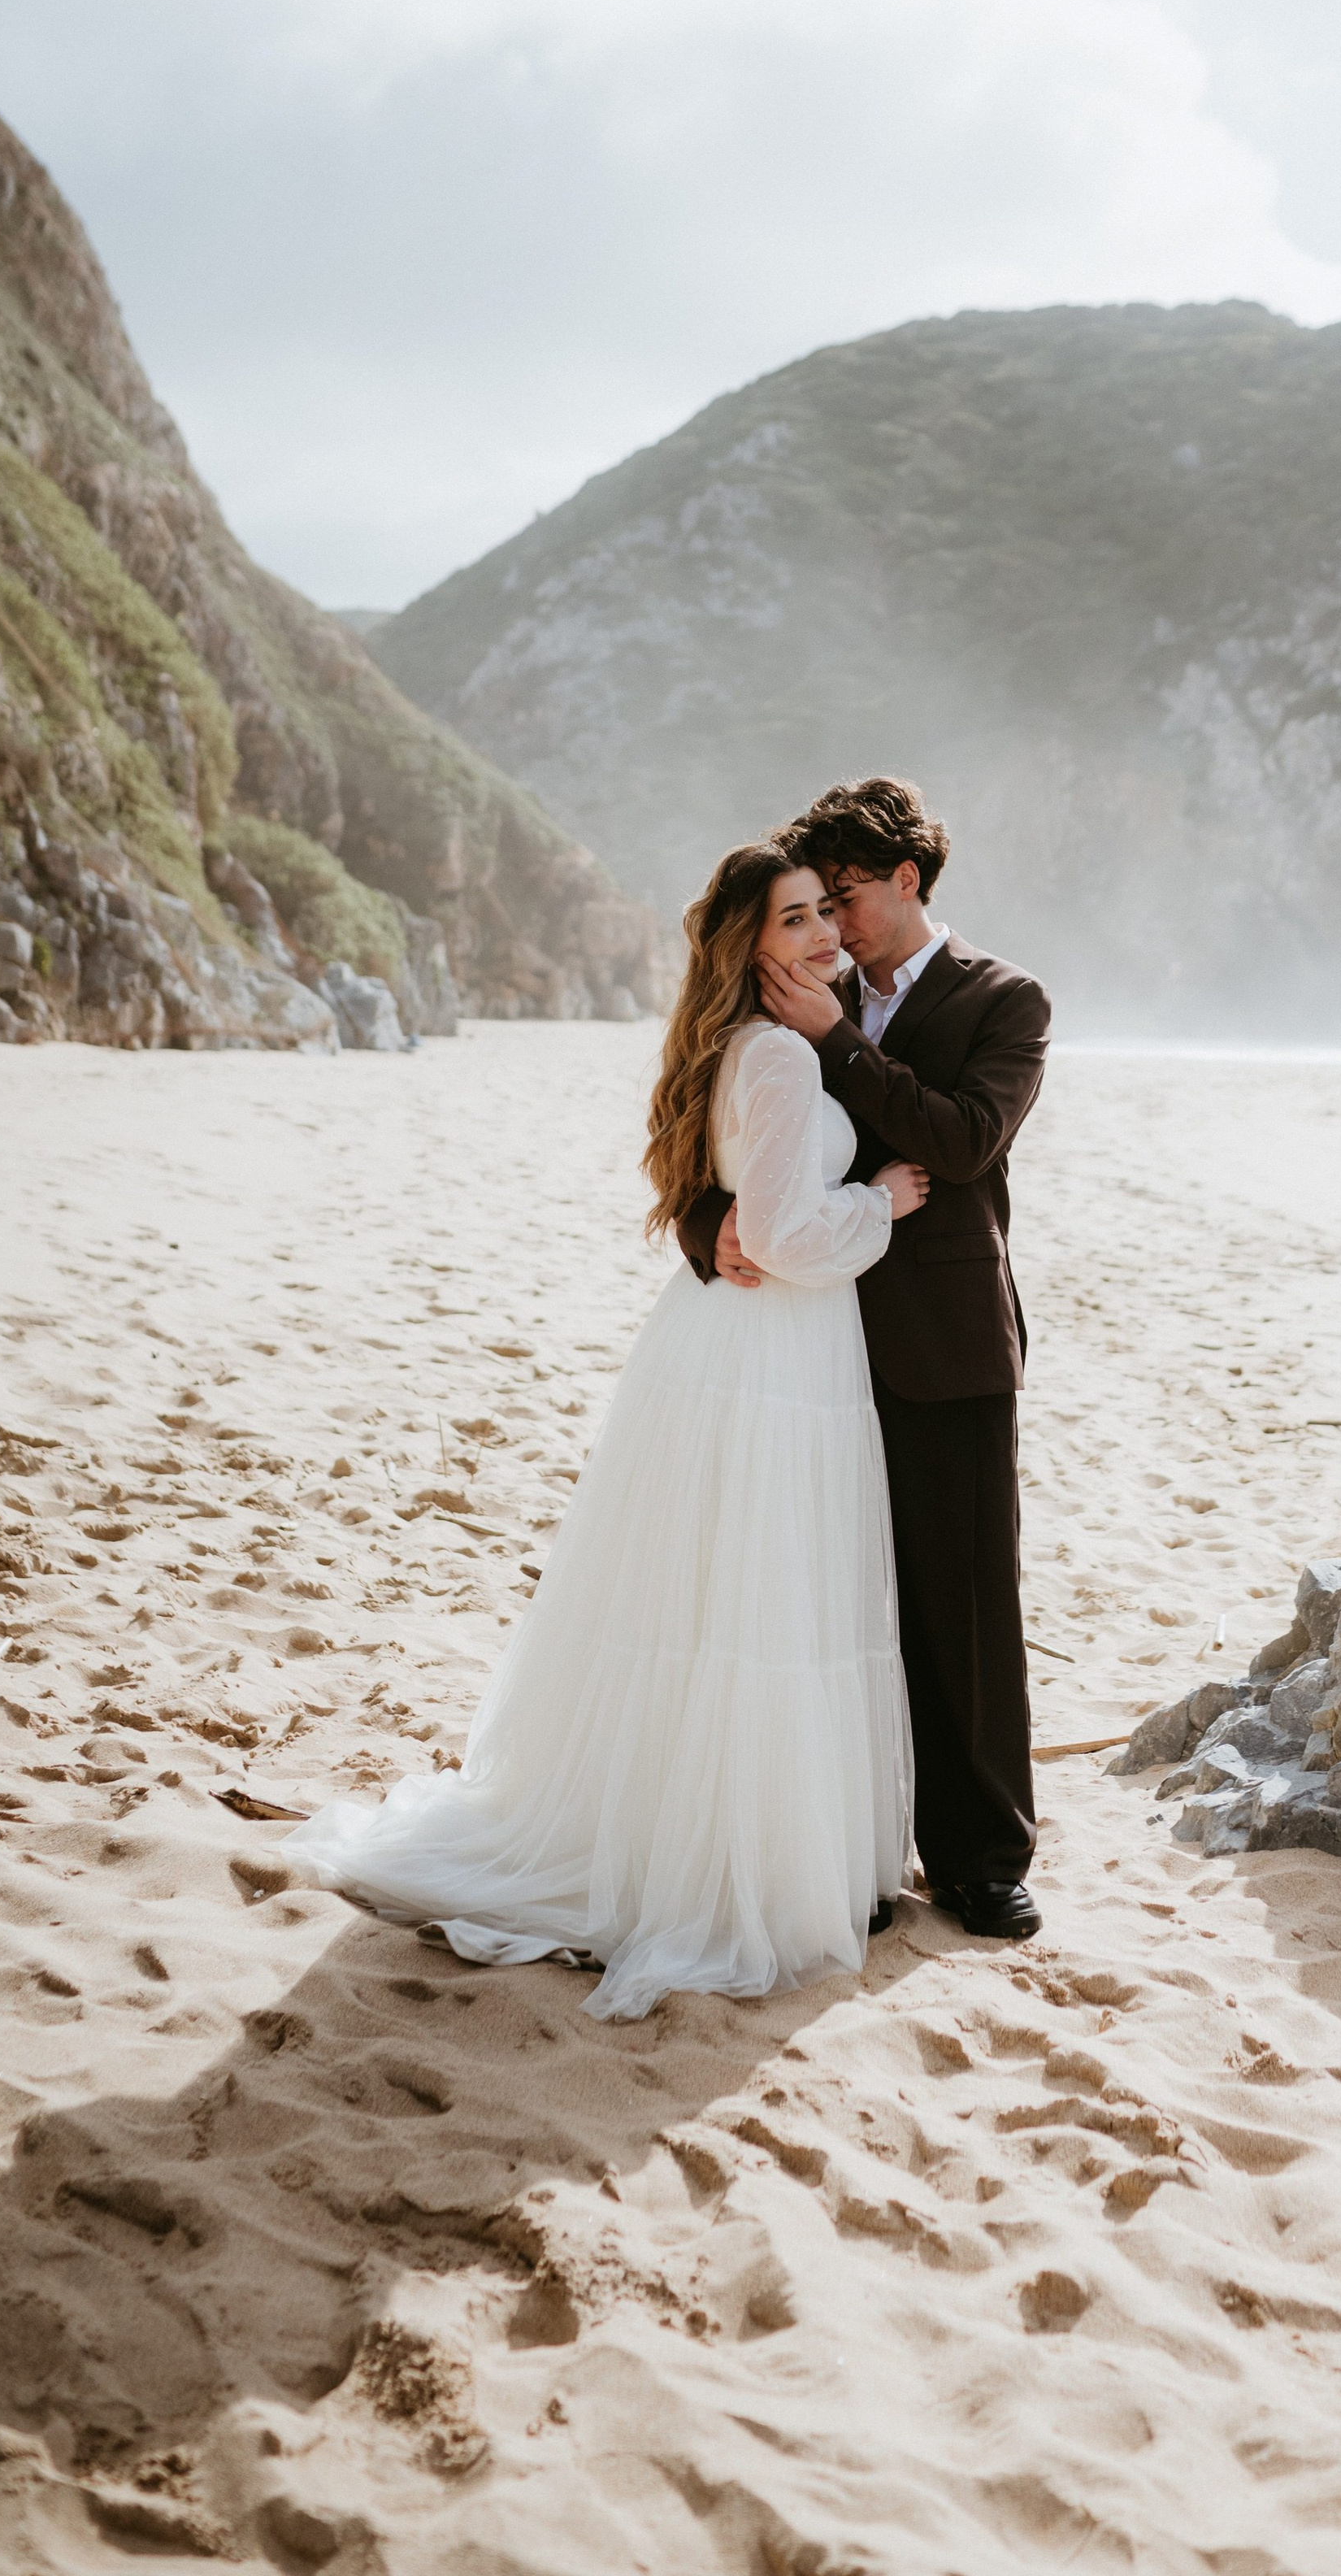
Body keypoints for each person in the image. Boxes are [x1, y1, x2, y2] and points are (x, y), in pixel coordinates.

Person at [283, 842, 927, 2019]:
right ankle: (737, 1866)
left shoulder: (743, 1048)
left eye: (824, 915)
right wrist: (879, 1200)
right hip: (774, 1349)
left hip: (730, 1347)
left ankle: (701, 1834)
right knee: (755, 1598)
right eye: (795, 923)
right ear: (752, 950)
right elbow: (782, 1236)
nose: (823, 936)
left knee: (713, 1599)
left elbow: (741, 1206)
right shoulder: (781, 1056)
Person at [680, 777, 1052, 1940]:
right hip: (806, 1348)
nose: (832, 927)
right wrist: (709, 1229)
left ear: (910, 880)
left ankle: (984, 1858)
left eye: (848, 899)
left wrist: (838, 1042)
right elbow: (726, 1143)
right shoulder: (784, 1012)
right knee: (830, 1605)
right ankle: (849, 1849)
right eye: (817, 905)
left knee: (963, 1611)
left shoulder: (1006, 1000)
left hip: (943, 1348)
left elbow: (961, 1140)